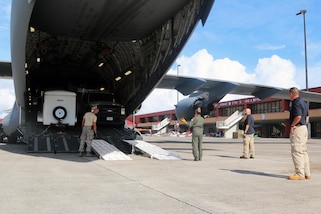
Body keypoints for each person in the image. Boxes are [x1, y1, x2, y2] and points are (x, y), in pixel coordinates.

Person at [288, 87, 311, 180]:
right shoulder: (304, 103)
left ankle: (299, 173)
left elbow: (298, 116)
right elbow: (307, 116)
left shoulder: (295, 103)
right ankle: (307, 173)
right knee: (303, 151)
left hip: (298, 128)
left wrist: (293, 125)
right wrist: (303, 125)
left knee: (296, 151)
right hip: (304, 128)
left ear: (291, 94)